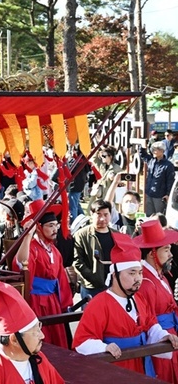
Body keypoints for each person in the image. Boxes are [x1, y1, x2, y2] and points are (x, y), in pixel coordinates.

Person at [73, 232, 178, 377]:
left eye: (140, 273)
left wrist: (163, 336)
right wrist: (104, 347)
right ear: (115, 275)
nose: (138, 278)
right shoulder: (99, 303)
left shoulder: (140, 299)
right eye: (132, 273)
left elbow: (152, 326)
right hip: (116, 370)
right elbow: (81, 342)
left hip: (142, 367)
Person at [0, 279, 65, 384]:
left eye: (39, 329)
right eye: (35, 332)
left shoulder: (39, 359)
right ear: (14, 339)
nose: (42, 336)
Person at [14, 199, 73, 348]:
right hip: (35, 301)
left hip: (52, 301)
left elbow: (61, 281)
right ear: (39, 227)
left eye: (56, 225)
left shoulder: (54, 250)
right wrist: (27, 236)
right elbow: (22, 264)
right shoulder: (32, 247)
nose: (55, 229)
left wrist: (65, 304)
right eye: (50, 226)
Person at [134, 220, 178, 383]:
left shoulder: (159, 276)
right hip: (160, 343)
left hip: (170, 338)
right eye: (166, 249)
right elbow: (147, 321)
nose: (171, 254)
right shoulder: (145, 282)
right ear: (152, 253)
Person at [73, 200, 117, 300]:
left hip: (114, 285)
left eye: (106, 215)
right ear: (91, 214)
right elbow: (77, 261)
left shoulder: (116, 235)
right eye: (98, 214)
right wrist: (93, 278)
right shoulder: (81, 235)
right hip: (91, 287)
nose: (102, 218)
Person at [140, 141, 175, 215]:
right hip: (149, 194)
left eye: (156, 149)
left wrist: (168, 194)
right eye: (153, 149)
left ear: (162, 151)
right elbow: (142, 155)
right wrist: (142, 146)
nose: (154, 151)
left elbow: (170, 181)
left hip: (160, 197)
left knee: (159, 218)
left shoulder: (168, 165)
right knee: (149, 216)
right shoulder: (151, 161)